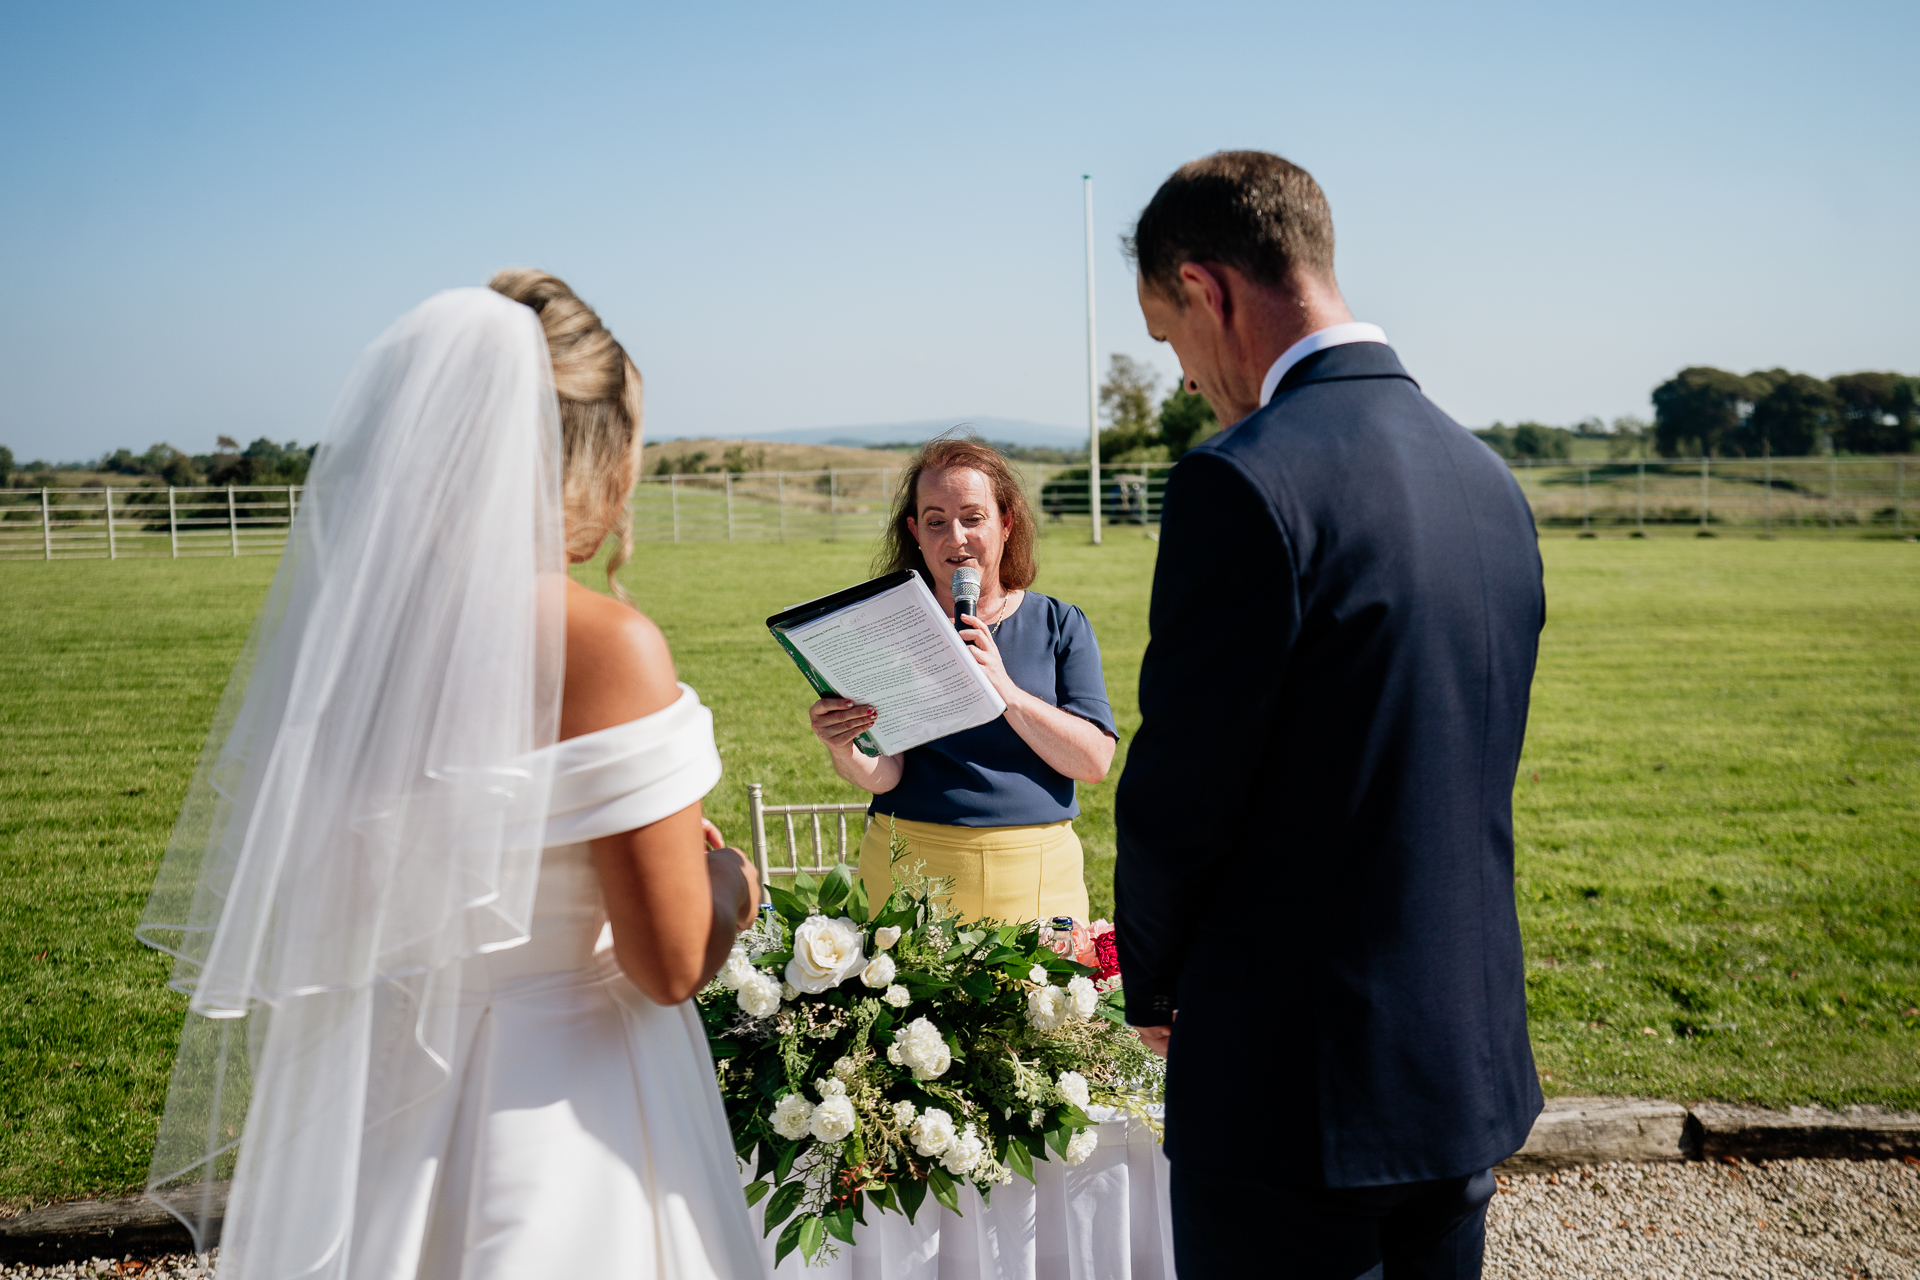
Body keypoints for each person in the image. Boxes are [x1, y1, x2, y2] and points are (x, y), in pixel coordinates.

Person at [137, 273, 766, 1279]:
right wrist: (730, 882)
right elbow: (669, 962)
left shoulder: (357, 651)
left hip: (391, 1098)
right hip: (572, 1102)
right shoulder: (609, 645)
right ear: (591, 452)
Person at [1112, 152, 1545, 1278]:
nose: (1194, 378)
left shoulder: (1244, 479)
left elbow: (1182, 794)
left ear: (1205, 289)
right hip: (1461, 1062)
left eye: (1172, 338)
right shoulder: (1486, 477)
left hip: (1293, 1084)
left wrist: (1154, 984)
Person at [807, 435, 1118, 925]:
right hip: (908, 872)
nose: (956, 538)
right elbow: (887, 774)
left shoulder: (1060, 623)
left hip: (1035, 878)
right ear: (914, 531)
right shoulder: (882, 628)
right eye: (936, 521)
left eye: (973, 518)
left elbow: (1093, 761)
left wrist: (1007, 692)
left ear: (1006, 523)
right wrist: (845, 746)